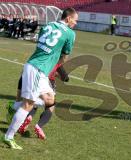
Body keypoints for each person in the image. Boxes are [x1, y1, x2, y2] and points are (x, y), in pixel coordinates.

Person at [2, 7, 78, 150]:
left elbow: (42, 45)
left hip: (36, 67)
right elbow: (64, 55)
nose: (76, 23)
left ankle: (14, 107)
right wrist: (57, 65)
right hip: (38, 69)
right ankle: (8, 136)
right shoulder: (70, 33)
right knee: (28, 104)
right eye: (75, 20)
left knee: (50, 99)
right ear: (68, 19)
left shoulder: (48, 25)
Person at [7, 63, 69, 140]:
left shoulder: (39, 59)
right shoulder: (56, 62)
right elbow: (65, 78)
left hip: (32, 78)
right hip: (47, 83)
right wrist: (55, 74)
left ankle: (28, 116)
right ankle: (39, 126)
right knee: (50, 106)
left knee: (33, 100)